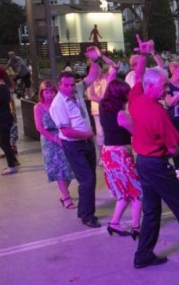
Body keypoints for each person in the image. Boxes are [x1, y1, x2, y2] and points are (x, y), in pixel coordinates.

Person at [128, 37, 179, 268]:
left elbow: (138, 75)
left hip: (142, 163)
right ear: (151, 86)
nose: (166, 90)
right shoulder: (158, 113)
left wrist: (143, 55)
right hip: (157, 165)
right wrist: (166, 148)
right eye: (163, 87)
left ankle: (143, 255)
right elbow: (174, 147)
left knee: (152, 212)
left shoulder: (135, 99)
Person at [49, 71, 100, 227]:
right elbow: (66, 131)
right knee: (87, 180)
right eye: (66, 85)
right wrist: (86, 134)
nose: (70, 88)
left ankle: (84, 210)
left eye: (72, 84)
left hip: (86, 142)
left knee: (90, 178)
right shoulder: (58, 104)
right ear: (59, 85)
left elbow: (91, 77)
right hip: (74, 145)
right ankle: (87, 216)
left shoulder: (77, 90)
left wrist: (95, 60)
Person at [100, 79, 143, 238]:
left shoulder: (104, 107)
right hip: (119, 156)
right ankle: (136, 227)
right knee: (138, 191)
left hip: (108, 154)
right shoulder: (121, 114)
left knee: (124, 192)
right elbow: (136, 133)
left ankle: (114, 223)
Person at [34, 80, 76, 208]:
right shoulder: (39, 107)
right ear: (42, 93)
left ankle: (64, 192)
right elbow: (39, 128)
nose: (49, 95)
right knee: (58, 169)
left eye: (52, 92)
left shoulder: (60, 104)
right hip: (49, 139)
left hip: (64, 135)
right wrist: (55, 139)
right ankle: (66, 196)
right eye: (46, 92)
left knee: (68, 168)